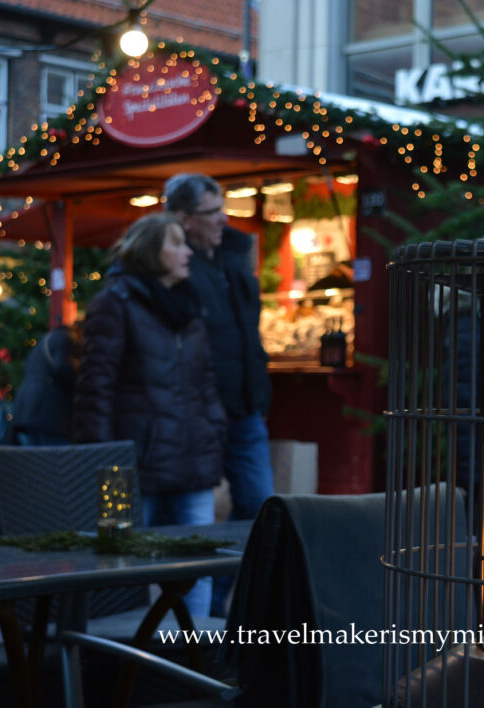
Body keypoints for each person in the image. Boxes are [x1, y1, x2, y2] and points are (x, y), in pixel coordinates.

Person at [74, 212, 226, 617]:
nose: (187, 251)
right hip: (130, 466)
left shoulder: (190, 307)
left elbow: (205, 381)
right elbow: (96, 387)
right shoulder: (114, 302)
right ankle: (128, 664)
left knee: (200, 567)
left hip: (193, 460)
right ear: (149, 251)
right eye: (175, 242)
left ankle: (194, 657)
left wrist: (215, 431)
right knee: (118, 563)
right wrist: (105, 461)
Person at [163, 174, 273, 616]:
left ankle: (219, 598)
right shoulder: (179, 264)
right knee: (191, 514)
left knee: (258, 504)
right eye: (212, 213)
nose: (223, 219)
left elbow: (247, 330)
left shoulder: (234, 256)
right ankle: (195, 612)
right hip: (202, 408)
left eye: (223, 209)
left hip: (245, 406)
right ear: (185, 219)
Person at [11, 324, 81, 446]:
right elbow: (64, 369)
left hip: (27, 411)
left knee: (37, 457)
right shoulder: (67, 338)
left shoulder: (45, 340)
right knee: (56, 458)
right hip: (50, 414)